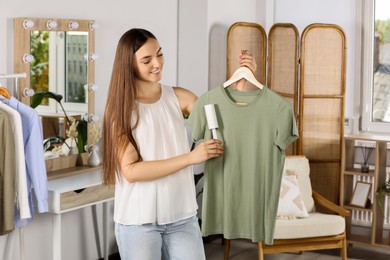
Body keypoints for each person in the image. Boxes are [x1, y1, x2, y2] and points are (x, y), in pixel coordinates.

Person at [102, 28, 256, 260]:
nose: (157, 63)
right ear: (129, 65)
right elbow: (131, 171)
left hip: (181, 218)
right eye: (147, 60)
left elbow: (225, 122)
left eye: (159, 54)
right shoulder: (121, 111)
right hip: (138, 222)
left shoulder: (178, 97)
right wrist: (191, 158)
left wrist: (242, 81)